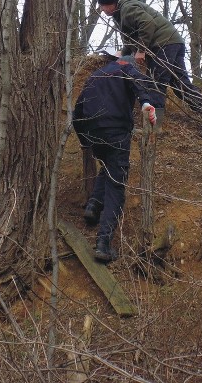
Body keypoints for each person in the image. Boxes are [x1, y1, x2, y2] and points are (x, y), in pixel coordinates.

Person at [96, 0, 202, 137]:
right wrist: (122, 53)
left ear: (112, 2)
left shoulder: (127, 9)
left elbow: (148, 23)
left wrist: (141, 50)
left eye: (103, 6)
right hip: (173, 42)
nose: (102, 9)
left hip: (163, 45)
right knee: (181, 85)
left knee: (155, 84)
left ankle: (153, 128)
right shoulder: (122, 11)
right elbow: (132, 38)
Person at [73, 53, 158, 263]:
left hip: (94, 134)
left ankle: (93, 205)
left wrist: (85, 141)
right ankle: (103, 243)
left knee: (109, 166)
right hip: (117, 131)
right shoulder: (125, 68)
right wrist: (146, 103)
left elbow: (77, 113)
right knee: (117, 185)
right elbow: (138, 81)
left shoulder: (95, 76)